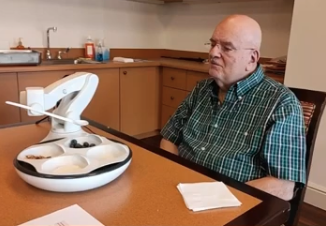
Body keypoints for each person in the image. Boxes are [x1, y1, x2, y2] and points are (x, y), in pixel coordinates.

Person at [160, 14, 306, 201]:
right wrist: (171, 175)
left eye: (226, 48)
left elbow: (283, 185)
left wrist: (211, 198)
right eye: (213, 44)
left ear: (252, 59)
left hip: (232, 203)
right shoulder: (202, 88)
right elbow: (169, 137)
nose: (213, 53)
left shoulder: (281, 103)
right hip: (178, 188)